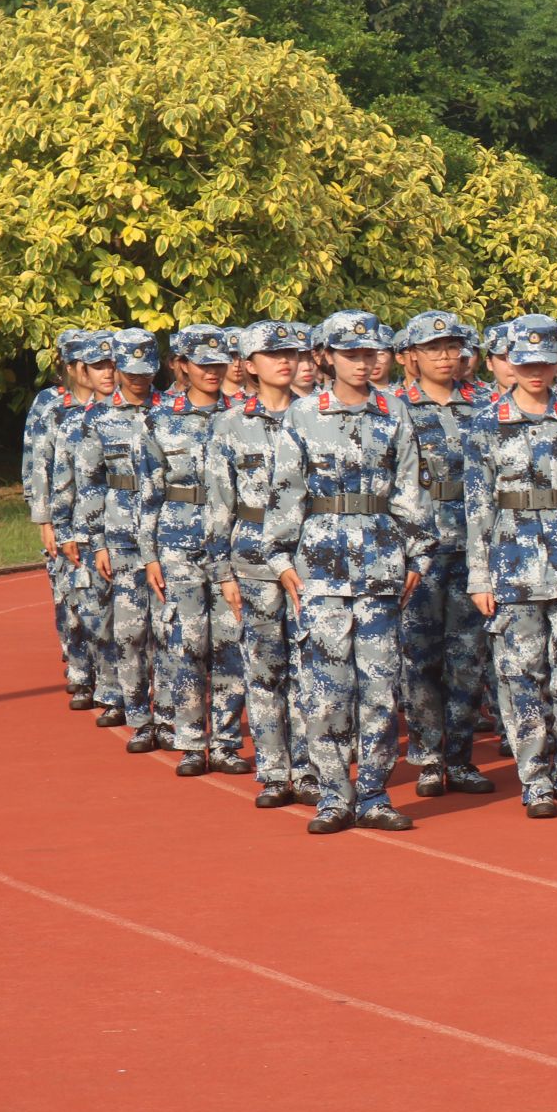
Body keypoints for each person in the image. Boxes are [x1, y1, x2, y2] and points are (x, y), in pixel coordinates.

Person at [269, 309, 436, 835]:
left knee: (381, 689)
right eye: (350, 354)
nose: (362, 363)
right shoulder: (302, 415)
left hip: (381, 565)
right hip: (319, 566)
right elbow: (285, 489)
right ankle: (333, 795)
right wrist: (279, 558)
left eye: (370, 353)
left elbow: (410, 488)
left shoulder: (394, 412)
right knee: (325, 689)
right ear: (326, 357)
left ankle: (374, 794)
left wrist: (419, 554)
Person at [464, 315, 557, 817]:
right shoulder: (486, 423)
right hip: (511, 564)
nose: (535, 371)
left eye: (545, 362)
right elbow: (477, 507)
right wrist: (479, 575)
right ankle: (535, 780)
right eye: (526, 362)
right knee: (520, 677)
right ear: (510, 361)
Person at [208, 320, 317, 809]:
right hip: (251, 556)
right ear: (249, 365)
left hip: (308, 554)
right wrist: (222, 571)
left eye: (291, 354)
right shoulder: (230, 424)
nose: (285, 362)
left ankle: (310, 769)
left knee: (310, 668)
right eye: (272, 355)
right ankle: (274, 771)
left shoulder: (317, 414)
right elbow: (219, 503)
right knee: (264, 668)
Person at [396, 311, 497, 798]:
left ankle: (459, 756)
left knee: (469, 656)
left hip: (475, 546)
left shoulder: (487, 404)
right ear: (412, 356)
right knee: (420, 656)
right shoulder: (393, 408)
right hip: (420, 549)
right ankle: (428, 756)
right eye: (432, 348)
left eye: (452, 346)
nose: (444, 356)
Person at [149, 325, 248, 776]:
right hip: (178, 540)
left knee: (230, 643)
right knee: (188, 642)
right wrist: (149, 554)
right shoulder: (160, 418)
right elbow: (147, 492)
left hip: (230, 541)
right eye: (202, 363)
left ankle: (225, 741)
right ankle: (191, 741)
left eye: (219, 362)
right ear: (181, 365)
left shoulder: (243, 416)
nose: (212, 371)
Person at [68, 329, 166, 751]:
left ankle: (169, 717)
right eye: (132, 371)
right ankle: (138, 714)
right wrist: (97, 541)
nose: (140, 379)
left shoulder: (172, 411)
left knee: (169, 633)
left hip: (167, 535)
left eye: (147, 371)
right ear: (119, 367)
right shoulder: (98, 418)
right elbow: (89, 482)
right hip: (121, 534)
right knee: (129, 631)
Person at [24, 330, 94, 708]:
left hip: (103, 516)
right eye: (82, 362)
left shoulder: (112, 403)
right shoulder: (50, 404)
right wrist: (45, 520)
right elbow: (38, 463)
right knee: (68, 594)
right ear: (68, 365)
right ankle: (79, 667)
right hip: (64, 511)